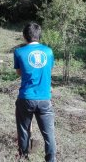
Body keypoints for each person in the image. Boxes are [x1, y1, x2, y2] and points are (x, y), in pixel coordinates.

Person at [13, 22, 56, 162]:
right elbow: (48, 70)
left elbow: (20, 73)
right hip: (44, 98)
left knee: (23, 130)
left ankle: (24, 156)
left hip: (26, 97)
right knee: (49, 133)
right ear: (39, 35)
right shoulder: (49, 51)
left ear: (24, 36)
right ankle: (51, 160)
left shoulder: (19, 52)